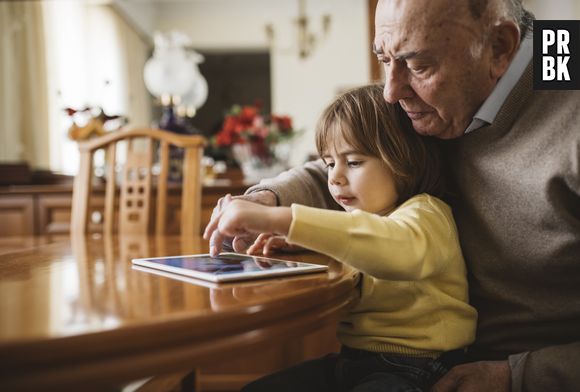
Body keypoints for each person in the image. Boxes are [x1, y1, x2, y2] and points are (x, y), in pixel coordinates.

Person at [205, 0, 580, 390]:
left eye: (418, 66)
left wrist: (518, 376)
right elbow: (362, 159)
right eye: (385, 59)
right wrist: (267, 199)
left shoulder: (567, 83)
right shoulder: (436, 96)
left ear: (500, 48)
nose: (391, 92)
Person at [209, 84, 477, 391]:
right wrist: (299, 238)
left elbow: (392, 249)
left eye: (353, 162)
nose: (334, 178)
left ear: (404, 157)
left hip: (421, 367)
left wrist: (277, 218)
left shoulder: (427, 213)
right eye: (329, 163)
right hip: (353, 361)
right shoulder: (358, 219)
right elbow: (354, 237)